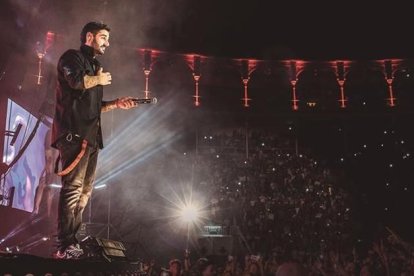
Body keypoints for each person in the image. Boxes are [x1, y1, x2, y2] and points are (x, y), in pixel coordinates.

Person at [51, 21, 137, 259]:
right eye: (103, 37)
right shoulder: (72, 58)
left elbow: (93, 107)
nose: (107, 43)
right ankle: (63, 245)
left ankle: (72, 241)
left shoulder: (95, 65)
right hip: (73, 134)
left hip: (91, 137)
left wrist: (116, 104)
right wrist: (98, 80)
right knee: (73, 189)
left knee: (85, 191)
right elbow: (76, 82)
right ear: (89, 36)